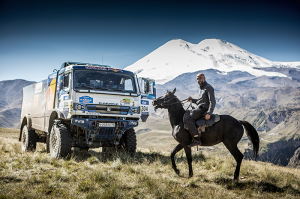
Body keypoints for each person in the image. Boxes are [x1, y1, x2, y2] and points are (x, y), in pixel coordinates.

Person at [186, 73, 216, 147]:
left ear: (204, 78)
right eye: (197, 79)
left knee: (189, 119)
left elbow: (212, 101)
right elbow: (200, 101)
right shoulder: (201, 88)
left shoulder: (208, 87)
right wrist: (191, 100)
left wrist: (209, 113)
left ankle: (196, 139)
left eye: (200, 78)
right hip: (200, 107)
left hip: (204, 109)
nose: (199, 80)